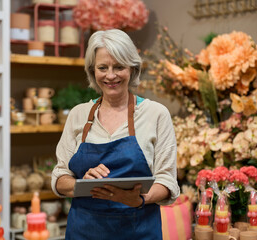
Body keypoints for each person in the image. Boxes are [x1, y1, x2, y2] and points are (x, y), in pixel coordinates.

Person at [51, 29, 180, 239]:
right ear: (93, 71)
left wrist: (138, 199)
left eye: (119, 66)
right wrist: (82, 184)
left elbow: (167, 181)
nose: (110, 75)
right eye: (103, 67)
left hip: (138, 230)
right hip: (84, 231)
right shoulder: (78, 115)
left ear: (132, 68)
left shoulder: (156, 114)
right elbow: (59, 176)